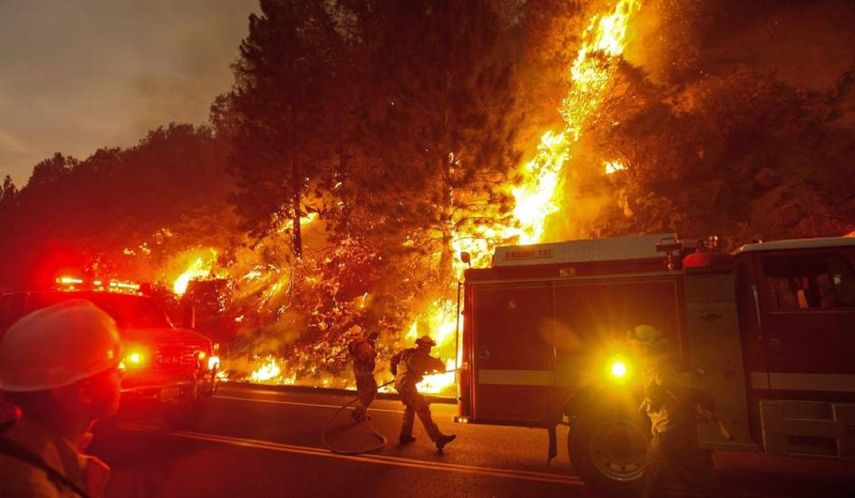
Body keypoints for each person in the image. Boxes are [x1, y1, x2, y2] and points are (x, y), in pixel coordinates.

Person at [0, 299, 123, 498]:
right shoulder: (29, 487)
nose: (121, 377)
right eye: (116, 370)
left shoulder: (28, 457)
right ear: (84, 392)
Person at [629, 324, 725, 498]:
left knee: (654, 477)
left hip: (669, 431)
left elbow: (680, 393)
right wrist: (647, 403)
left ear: (644, 347)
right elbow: (664, 392)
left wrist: (700, 399)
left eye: (634, 345)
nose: (632, 349)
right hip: (680, 430)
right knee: (699, 471)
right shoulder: (650, 366)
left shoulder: (659, 367)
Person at [390, 335, 455, 451]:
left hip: (399, 385)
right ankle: (438, 438)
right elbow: (441, 367)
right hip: (408, 387)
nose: (430, 349)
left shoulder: (406, 352)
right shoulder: (424, 358)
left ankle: (405, 436)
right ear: (425, 346)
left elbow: (393, 360)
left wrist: (396, 375)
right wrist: (441, 369)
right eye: (429, 346)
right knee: (423, 410)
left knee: (409, 408)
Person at [349, 331, 378, 423]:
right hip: (364, 371)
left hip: (358, 370)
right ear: (359, 334)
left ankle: (364, 414)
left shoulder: (353, 344)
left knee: (363, 392)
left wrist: (368, 342)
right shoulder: (363, 346)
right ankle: (358, 412)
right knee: (372, 392)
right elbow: (372, 354)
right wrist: (372, 345)